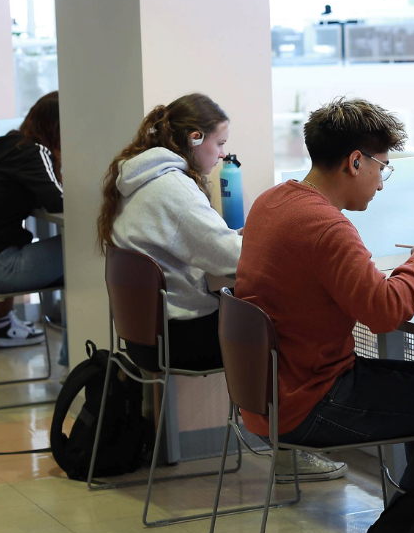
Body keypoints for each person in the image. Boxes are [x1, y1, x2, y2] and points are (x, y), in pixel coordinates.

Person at [96, 93, 346, 482]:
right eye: (220, 143)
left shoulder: (136, 179)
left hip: (147, 337)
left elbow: (210, 244)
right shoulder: (173, 190)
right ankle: (291, 452)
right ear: (196, 139)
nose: (222, 153)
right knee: (282, 336)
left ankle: (287, 446)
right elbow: (233, 258)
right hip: (180, 337)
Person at [235, 96, 414, 491]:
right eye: (382, 167)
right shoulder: (325, 227)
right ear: (356, 162)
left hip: (268, 395)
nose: (381, 183)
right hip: (310, 402)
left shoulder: (272, 202)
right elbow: (385, 312)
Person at [0, 91, 64, 355]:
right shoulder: (35, 152)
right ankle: (73, 355)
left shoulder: (13, 148)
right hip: (0, 266)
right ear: (58, 126)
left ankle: (73, 353)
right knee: (83, 250)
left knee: (76, 252)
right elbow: (59, 201)